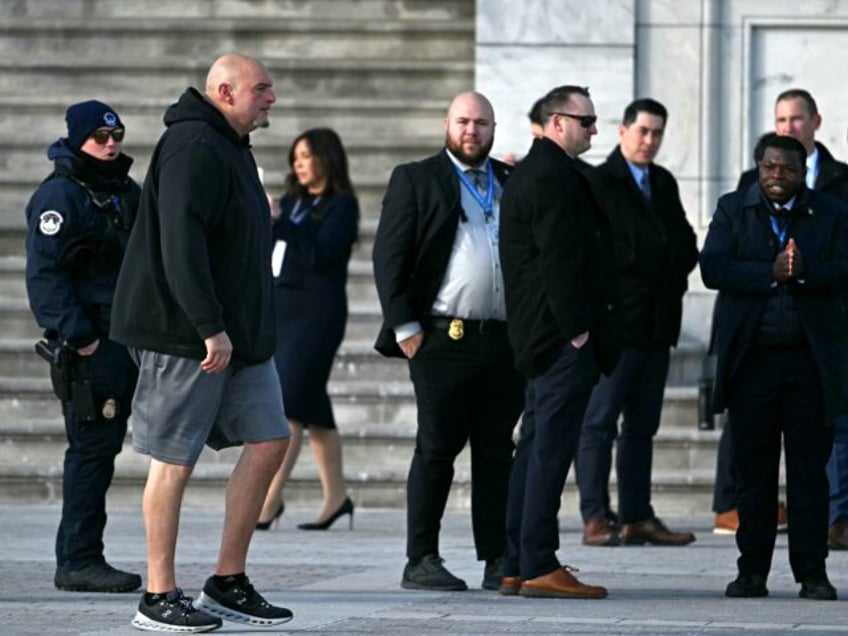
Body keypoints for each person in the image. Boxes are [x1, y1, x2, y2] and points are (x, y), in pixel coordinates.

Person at [110, 53, 293, 631]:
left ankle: (227, 581)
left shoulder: (231, 146)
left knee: (269, 439)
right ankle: (158, 595)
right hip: (188, 335)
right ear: (225, 91)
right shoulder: (193, 144)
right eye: (260, 88)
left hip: (240, 338)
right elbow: (180, 246)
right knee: (173, 459)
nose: (271, 98)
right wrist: (207, 326)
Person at [372, 91, 525, 592]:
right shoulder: (416, 178)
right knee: (437, 448)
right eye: (463, 121)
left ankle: (497, 556)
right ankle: (421, 558)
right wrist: (405, 327)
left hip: (502, 341)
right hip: (442, 338)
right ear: (447, 124)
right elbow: (388, 256)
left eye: (481, 123)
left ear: (494, 129)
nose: (472, 131)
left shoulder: (510, 181)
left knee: (496, 451)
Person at [701, 133, 848, 601]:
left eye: (787, 169)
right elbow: (713, 268)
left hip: (809, 364)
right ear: (758, 167)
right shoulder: (732, 208)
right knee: (754, 474)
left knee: (809, 474)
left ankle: (812, 573)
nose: (777, 177)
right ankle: (752, 572)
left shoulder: (830, 212)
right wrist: (769, 270)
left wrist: (805, 271)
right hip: (752, 364)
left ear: (803, 171)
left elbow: (845, 268)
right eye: (769, 167)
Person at [498, 85, 620, 598]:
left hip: (541, 337)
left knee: (534, 449)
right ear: (556, 122)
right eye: (586, 120)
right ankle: (539, 563)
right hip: (558, 340)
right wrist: (577, 332)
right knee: (548, 449)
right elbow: (559, 262)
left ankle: (515, 561)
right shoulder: (551, 175)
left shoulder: (543, 171)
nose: (594, 129)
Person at [24, 100, 141, 594]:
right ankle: (78, 558)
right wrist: (80, 336)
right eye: (99, 138)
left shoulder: (122, 190)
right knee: (91, 449)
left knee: (104, 447)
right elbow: (45, 275)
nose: (111, 144)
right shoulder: (61, 197)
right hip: (92, 343)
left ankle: (82, 554)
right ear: (77, 140)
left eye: (115, 136)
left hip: (124, 339)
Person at [577, 98, 698, 547]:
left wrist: (658, 262)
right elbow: (604, 253)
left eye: (657, 133)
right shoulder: (599, 182)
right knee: (599, 421)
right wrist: (650, 259)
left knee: (642, 426)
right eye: (643, 131)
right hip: (617, 326)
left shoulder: (662, 182)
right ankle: (595, 515)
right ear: (623, 131)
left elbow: (685, 244)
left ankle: (636, 515)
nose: (649, 141)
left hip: (657, 324)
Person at [257, 128, 359, 531]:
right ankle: (337, 498)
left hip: (318, 316)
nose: (297, 164)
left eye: (305, 156)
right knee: (314, 409)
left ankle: (268, 501)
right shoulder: (292, 202)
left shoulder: (341, 206)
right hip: (284, 311)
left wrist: (281, 224)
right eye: (294, 157)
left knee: (291, 407)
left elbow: (320, 255)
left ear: (324, 159)